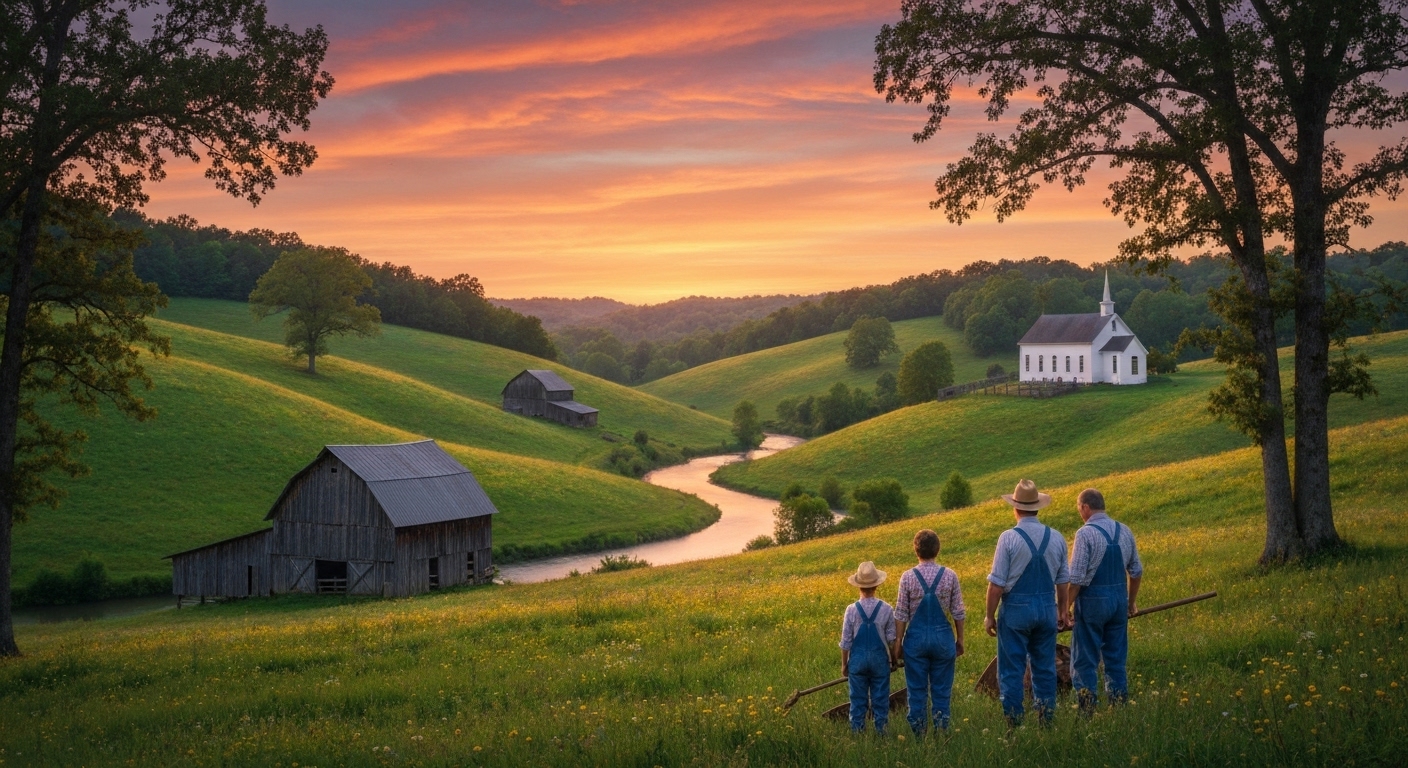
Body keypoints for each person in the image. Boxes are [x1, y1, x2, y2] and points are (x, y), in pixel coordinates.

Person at [984, 479, 1070, 727]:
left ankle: (1015, 725)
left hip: (1016, 612)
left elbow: (997, 584)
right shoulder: (1056, 537)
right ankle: (1046, 721)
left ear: (1015, 507)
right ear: (1037, 507)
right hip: (1046, 609)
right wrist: (1062, 611)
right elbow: (1063, 581)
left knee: (1011, 669)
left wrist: (989, 615)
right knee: (1044, 668)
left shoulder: (1008, 538)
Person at [1066, 488, 1143, 714]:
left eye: (1079, 508)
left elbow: (1077, 578)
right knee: (1115, 659)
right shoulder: (1125, 531)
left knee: (1084, 660)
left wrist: (1064, 609)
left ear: (1085, 507)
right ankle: (1118, 706)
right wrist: (1131, 603)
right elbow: (1136, 571)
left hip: (1092, 605)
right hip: (1119, 603)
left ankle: (1088, 709)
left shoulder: (1085, 534)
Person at [893, 529, 965, 736]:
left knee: (916, 690)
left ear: (916, 551)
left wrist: (898, 644)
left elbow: (901, 614)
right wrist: (960, 639)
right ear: (937, 550)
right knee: (941, 690)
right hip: (943, 640)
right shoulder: (950, 575)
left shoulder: (907, 577)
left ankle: (919, 734)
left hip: (915, 642)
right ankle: (941, 731)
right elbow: (958, 611)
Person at [839, 561, 896, 734]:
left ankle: (858, 734)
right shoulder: (886, 609)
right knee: (880, 700)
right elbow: (891, 639)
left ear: (858, 586)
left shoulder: (851, 610)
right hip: (879, 662)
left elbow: (846, 641)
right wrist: (893, 660)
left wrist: (844, 664)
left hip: (857, 662)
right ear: (877, 585)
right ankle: (881, 733)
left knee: (857, 700)